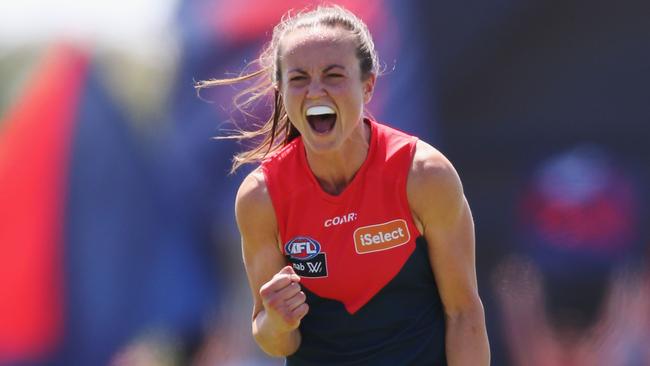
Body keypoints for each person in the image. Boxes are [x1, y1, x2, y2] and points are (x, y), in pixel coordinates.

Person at [196, 5, 489, 365]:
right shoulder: (261, 197)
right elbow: (277, 342)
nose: (315, 91)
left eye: (334, 75)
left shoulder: (424, 174)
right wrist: (276, 319)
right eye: (299, 78)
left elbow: (464, 314)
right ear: (281, 92)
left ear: (368, 86)